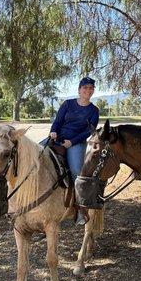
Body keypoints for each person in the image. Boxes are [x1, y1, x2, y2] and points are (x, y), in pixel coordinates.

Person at [46, 76, 99, 224]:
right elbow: (57, 121)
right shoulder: (68, 104)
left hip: (76, 143)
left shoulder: (94, 110)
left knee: (77, 172)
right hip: (58, 138)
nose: (87, 91)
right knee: (36, 155)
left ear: (93, 91)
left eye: (90, 88)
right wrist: (53, 132)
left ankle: (81, 210)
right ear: (79, 90)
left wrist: (72, 142)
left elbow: (89, 131)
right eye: (85, 88)